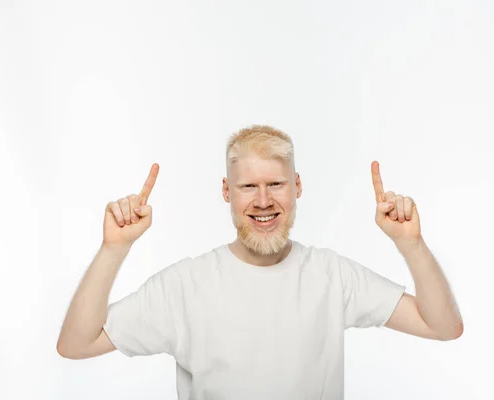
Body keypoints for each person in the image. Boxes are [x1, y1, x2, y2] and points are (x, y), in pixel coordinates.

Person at [56, 125, 463, 399]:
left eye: (276, 184)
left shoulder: (332, 276)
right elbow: (76, 344)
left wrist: (411, 244)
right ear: (226, 191)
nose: (264, 201)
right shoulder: (184, 286)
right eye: (248, 186)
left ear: (297, 186)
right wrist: (113, 250)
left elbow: (443, 326)